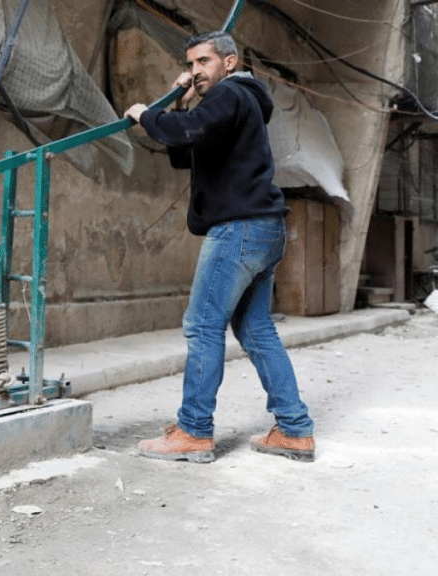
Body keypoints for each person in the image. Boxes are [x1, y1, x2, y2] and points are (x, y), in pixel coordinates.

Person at [123, 31, 315, 464]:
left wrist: (146, 114)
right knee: (256, 330)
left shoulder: (231, 94)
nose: (195, 71)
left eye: (203, 62)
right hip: (263, 230)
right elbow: (183, 147)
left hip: (240, 230)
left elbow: (185, 130)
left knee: (203, 326)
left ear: (229, 62)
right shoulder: (235, 105)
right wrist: (180, 102)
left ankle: (193, 431)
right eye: (191, 65)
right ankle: (295, 430)